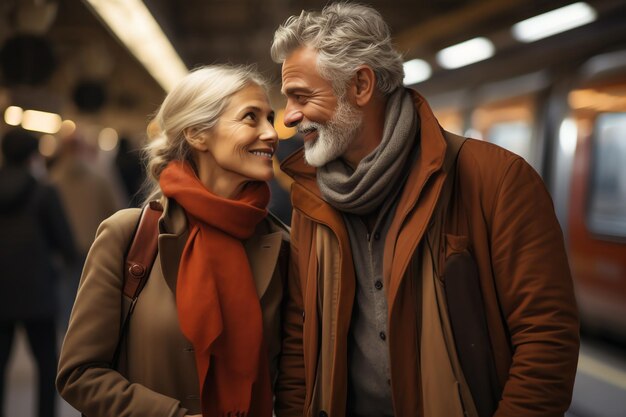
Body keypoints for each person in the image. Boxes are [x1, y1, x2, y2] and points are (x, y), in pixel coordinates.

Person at [270, 3, 579, 417]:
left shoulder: (496, 180)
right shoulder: (310, 200)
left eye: (302, 97)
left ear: (361, 85)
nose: (289, 118)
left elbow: (546, 340)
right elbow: (298, 341)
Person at [56, 65, 289, 417]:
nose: (271, 133)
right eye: (251, 118)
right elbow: (79, 373)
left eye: (270, 118)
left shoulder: (281, 245)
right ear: (197, 133)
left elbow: (293, 381)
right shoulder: (129, 236)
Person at [0, 128, 76, 417]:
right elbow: (65, 243)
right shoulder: (44, 193)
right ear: (33, 155)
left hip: (1, 290)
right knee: (46, 364)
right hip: (37, 291)